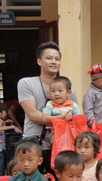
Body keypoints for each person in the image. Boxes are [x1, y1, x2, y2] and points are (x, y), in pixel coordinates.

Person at [18, 42, 77, 174]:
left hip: (60, 145)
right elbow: (33, 115)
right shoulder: (26, 83)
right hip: (33, 143)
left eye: (57, 59)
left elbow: (73, 117)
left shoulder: (68, 89)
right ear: (39, 61)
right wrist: (61, 118)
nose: (54, 62)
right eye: (49, 58)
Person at [42, 76, 80, 148]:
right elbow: (45, 118)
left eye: (60, 91)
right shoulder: (50, 104)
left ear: (68, 93)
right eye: (53, 91)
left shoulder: (72, 105)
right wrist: (60, 117)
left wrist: (71, 119)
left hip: (69, 134)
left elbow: (79, 120)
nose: (56, 94)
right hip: (54, 134)